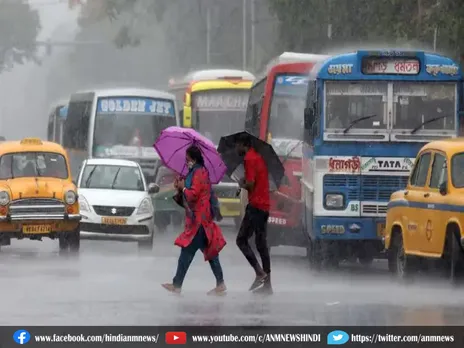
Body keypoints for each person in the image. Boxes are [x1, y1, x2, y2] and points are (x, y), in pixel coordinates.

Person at [162, 145, 227, 295]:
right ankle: (220, 283)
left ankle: (177, 284)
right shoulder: (197, 172)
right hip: (201, 221)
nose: (186, 162)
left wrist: (184, 188)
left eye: (188, 159)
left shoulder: (198, 172)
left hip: (198, 222)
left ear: (194, 158)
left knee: (187, 252)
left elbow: (193, 194)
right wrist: (180, 186)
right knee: (211, 253)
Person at [235, 133, 272, 294]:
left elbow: (250, 184)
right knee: (261, 244)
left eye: (237, 145)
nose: (236, 148)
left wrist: (241, 183)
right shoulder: (257, 158)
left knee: (241, 240)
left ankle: (259, 272)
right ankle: (267, 285)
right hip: (264, 205)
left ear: (244, 145)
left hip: (256, 206)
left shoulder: (249, 159)